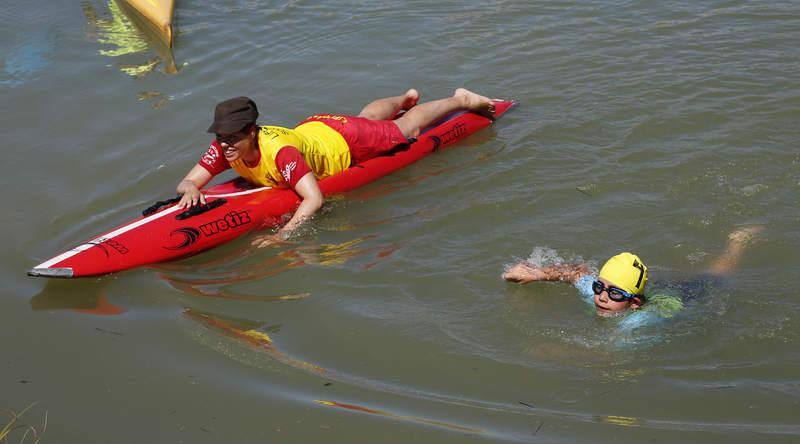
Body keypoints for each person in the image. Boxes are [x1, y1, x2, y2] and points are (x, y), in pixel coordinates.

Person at [176, 88, 496, 244]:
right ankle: (404, 98)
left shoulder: (281, 154)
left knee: (405, 131)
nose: (225, 144)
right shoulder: (224, 148)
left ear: (252, 132)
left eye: (232, 137)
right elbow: (188, 181)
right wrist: (190, 188)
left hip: (344, 141)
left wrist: (283, 235)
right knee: (368, 118)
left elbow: (314, 199)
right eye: (220, 137)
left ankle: (461, 100)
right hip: (315, 128)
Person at [502, 226, 763, 322]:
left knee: (715, 277)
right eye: (599, 288)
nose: (602, 297)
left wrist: (559, 352)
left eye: (614, 293)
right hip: (655, 290)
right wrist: (539, 274)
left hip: (686, 298)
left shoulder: (635, 322)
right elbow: (576, 272)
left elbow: (606, 356)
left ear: (634, 304)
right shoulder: (601, 293)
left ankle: (738, 241)